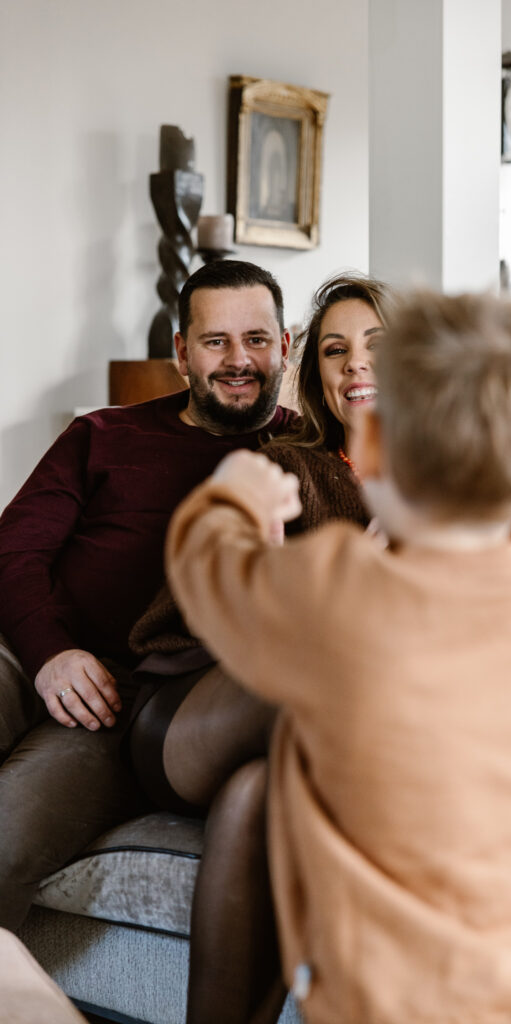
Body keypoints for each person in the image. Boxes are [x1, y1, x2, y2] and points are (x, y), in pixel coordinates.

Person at [166, 290, 511, 1024]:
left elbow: (210, 574)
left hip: (393, 996)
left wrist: (230, 503)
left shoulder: (347, 591)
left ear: (367, 448)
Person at [126, 272, 393, 1024]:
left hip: (291, 749)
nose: (354, 366)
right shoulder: (288, 467)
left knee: (256, 800)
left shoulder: (453, 495)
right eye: (335, 351)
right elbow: (200, 591)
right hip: (190, 713)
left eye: (376, 346)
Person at [0, 258, 296, 934]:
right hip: (27, 653)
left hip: (129, 707)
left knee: (6, 834)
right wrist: (50, 653)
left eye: (255, 338)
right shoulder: (102, 434)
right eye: (214, 341)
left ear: (285, 345)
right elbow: (13, 550)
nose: (237, 359)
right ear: (181, 354)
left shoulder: (300, 459)